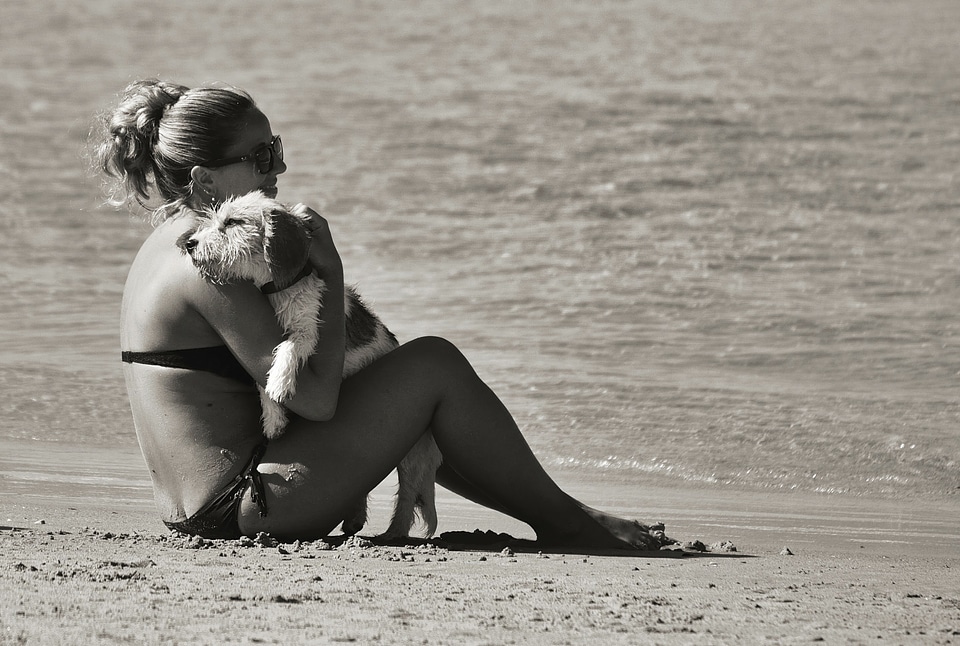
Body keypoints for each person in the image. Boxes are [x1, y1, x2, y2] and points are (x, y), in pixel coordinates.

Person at [92, 78, 665, 550]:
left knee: (408, 388)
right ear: (204, 179)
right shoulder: (212, 262)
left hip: (214, 503)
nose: (279, 170)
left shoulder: (172, 241)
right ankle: (567, 520)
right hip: (246, 505)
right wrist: (333, 270)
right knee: (433, 364)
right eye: (261, 156)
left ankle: (564, 514)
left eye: (280, 149)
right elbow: (316, 400)